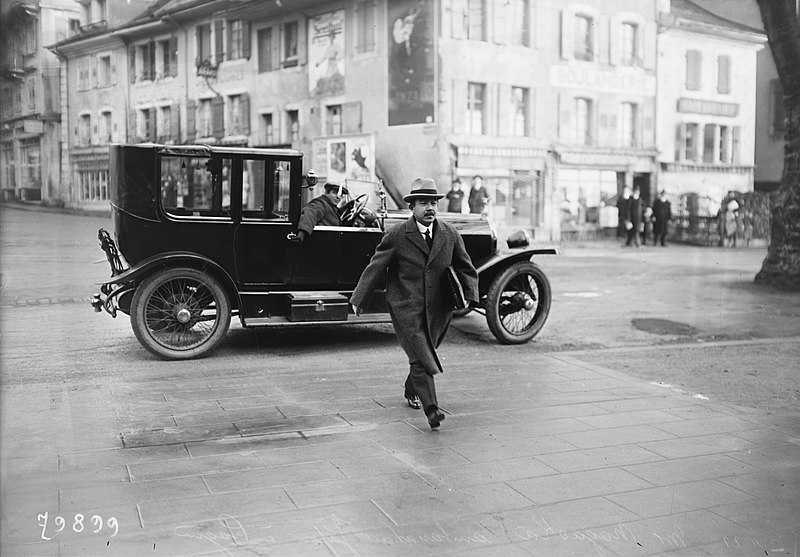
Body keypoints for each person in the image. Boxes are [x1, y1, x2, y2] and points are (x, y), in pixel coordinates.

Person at [350, 178, 479, 430]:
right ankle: (431, 409)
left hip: (439, 309)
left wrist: (471, 294)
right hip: (405, 306)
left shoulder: (449, 233)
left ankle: (412, 390)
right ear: (412, 207)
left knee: (422, 355)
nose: (429, 208)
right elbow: (376, 267)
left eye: (433, 203)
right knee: (421, 356)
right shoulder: (397, 235)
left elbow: (466, 266)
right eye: (423, 203)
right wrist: (359, 299)